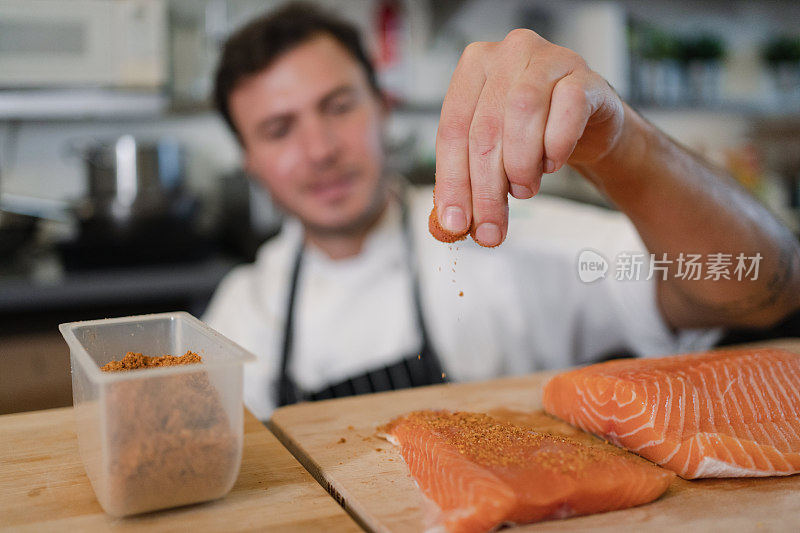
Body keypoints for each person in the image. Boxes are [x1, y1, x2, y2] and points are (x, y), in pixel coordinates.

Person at [204, 3, 800, 421]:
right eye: (278, 130)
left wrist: (625, 147)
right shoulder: (241, 314)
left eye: (338, 106)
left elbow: (764, 288)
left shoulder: (508, 234)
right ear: (250, 162)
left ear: (384, 108)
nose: (320, 150)